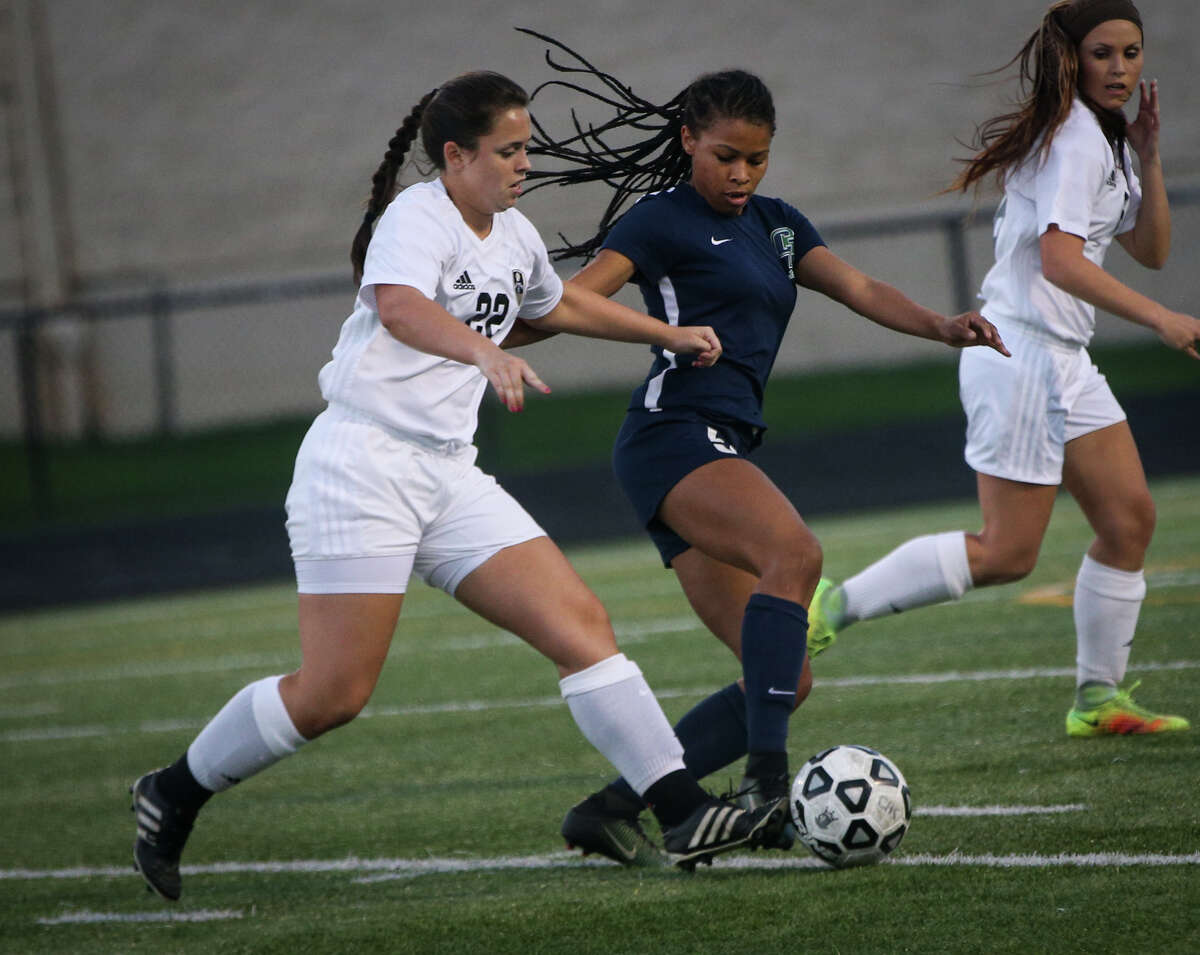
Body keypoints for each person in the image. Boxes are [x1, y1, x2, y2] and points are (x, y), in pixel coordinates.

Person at [128, 70, 788, 901]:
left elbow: (560, 308)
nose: (524, 164)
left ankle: (683, 809)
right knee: (334, 692)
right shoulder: (417, 217)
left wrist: (667, 333)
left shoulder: (511, 233)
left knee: (581, 624)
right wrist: (481, 349)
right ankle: (173, 790)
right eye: (509, 150)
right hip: (362, 464)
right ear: (455, 155)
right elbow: (402, 308)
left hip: (446, 471)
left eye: (527, 147)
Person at [505, 32, 1009, 867]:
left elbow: (859, 287)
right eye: (727, 157)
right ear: (688, 145)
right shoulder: (661, 220)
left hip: (716, 442)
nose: (742, 176)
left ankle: (607, 808)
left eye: (758, 161)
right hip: (672, 436)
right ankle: (768, 785)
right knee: (795, 552)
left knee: (784, 678)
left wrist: (942, 326)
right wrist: (494, 338)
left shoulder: (778, 228)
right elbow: (573, 302)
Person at [808, 0, 1195, 737]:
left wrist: (1147, 154)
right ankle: (832, 605)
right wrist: (1160, 318)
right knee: (1008, 552)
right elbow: (1059, 261)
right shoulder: (1076, 139)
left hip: (1063, 360)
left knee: (1128, 520)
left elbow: (1153, 251)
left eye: (1133, 52)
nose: (1120, 68)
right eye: (1104, 53)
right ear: (1072, 59)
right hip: (1019, 354)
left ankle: (1097, 699)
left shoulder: (1106, 141)